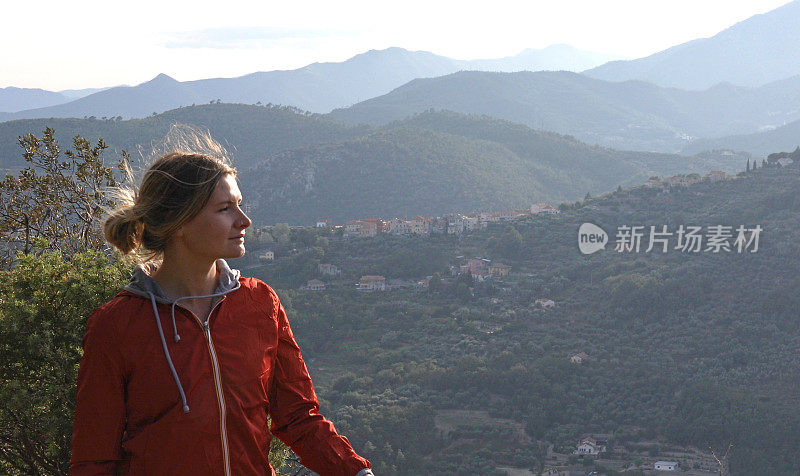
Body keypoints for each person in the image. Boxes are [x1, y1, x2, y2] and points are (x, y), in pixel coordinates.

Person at [69, 140, 373, 476]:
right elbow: (94, 459)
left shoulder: (259, 303)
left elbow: (299, 418)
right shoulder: (116, 325)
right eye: (225, 209)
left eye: (239, 205)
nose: (244, 220)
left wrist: (356, 472)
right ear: (179, 223)